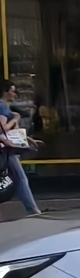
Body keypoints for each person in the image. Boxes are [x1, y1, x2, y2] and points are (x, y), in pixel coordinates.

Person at [0, 82, 38, 216]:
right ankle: (32, 210)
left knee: (18, 178)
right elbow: (3, 128)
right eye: (12, 91)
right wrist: (15, 119)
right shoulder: (2, 107)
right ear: (5, 92)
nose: (15, 94)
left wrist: (27, 139)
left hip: (7, 148)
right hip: (6, 150)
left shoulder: (4, 106)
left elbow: (10, 132)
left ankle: (32, 209)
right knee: (20, 178)